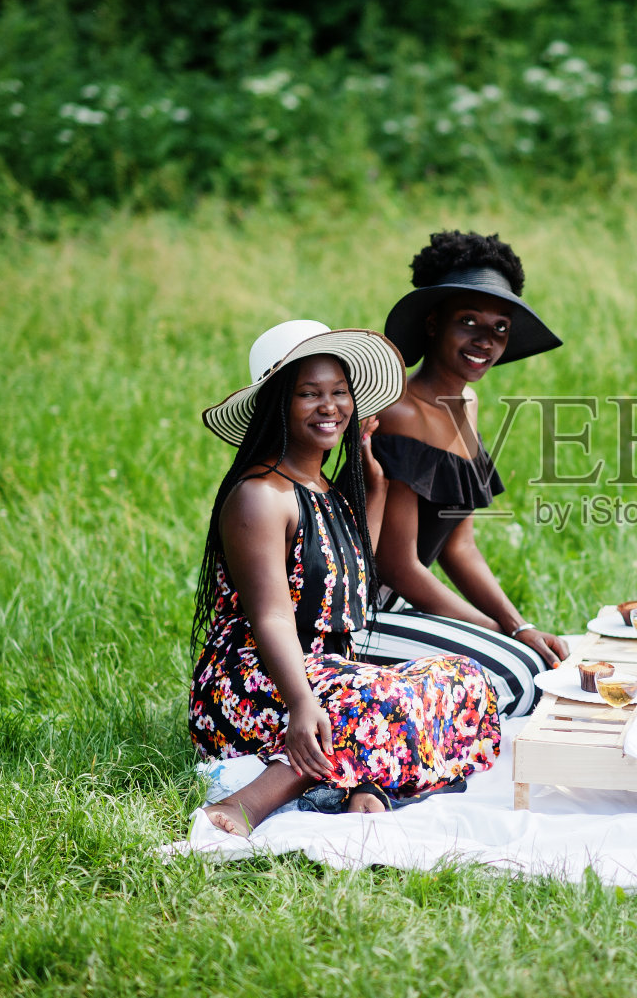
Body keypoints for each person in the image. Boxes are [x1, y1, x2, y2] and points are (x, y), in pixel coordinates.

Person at [189, 320, 501, 835]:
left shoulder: (327, 490)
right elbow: (270, 616)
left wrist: (374, 484)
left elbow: (354, 578)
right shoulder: (260, 496)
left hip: (325, 676)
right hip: (254, 683)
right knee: (383, 703)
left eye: (339, 392)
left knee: (463, 679)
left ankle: (361, 782)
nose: (329, 406)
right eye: (308, 394)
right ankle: (254, 801)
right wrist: (301, 701)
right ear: (276, 405)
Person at [359, 230, 567, 717]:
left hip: (405, 602)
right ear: (433, 324)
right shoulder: (401, 413)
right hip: (361, 612)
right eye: (468, 322)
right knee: (520, 674)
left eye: (499, 328)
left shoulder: (466, 402)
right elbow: (398, 564)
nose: (485, 342)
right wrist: (488, 631)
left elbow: (458, 544)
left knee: (539, 659)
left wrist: (516, 625)